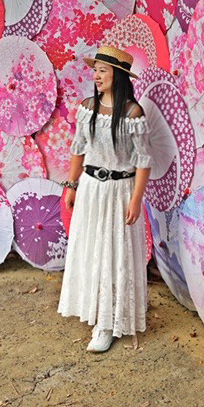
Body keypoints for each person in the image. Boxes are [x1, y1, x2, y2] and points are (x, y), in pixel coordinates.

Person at [57, 45, 152, 353]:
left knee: (115, 253)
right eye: (95, 69)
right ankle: (95, 309)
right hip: (91, 189)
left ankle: (108, 322)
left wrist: (136, 200)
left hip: (119, 190)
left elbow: (143, 160)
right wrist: (72, 185)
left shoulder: (132, 113)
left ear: (118, 76)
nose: (96, 75)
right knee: (92, 249)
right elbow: (78, 148)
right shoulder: (87, 107)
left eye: (103, 70)